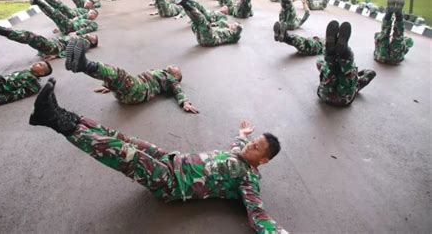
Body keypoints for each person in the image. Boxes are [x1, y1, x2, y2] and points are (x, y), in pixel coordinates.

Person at [29, 78, 287, 234]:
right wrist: (243, 133)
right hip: (172, 160)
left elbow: (259, 216)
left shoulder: (248, 181)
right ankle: (66, 115)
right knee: (126, 139)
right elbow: (238, 143)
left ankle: (55, 122)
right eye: (253, 142)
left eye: (255, 147)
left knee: (125, 154)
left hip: (173, 184)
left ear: (262, 161)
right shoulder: (241, 153)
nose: (249, 146)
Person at [64, 38, 199, 113]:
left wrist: (184, 102)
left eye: (177, 68)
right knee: (112, 78)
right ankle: (78, 66)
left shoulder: (170, 79)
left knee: (118, 73)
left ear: (176, 75)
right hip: (130, 93)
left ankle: (84, 65)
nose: (174, 65)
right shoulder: (162, 73)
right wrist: (110, 87)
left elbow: (178, 90)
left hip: (140, 91)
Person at [0, 14, 98, 60]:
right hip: (53, 43)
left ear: (92, 42)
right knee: (29, 37)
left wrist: (57, 55)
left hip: (55, 47)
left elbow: (77, 52)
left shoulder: (85, 43)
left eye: (94, 38)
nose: (92, 35)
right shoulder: (79, 36)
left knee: (30, 36)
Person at [316, 21, 376, 106]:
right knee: (333, 70)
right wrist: (357, 75)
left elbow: (371, 73)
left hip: (331, 94)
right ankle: (332, 55)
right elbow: (318, 63)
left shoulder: (358, 84)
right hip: (328, 95)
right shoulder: (357, 84)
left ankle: (343, 55)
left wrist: (356, 74)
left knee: (343, 74)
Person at [175, 0, 243, 47]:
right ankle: (184, 3)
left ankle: (184, 3)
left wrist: (239, 26)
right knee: (196, 21)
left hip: (211, 39)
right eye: (234, 24)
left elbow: (238, 33)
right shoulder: (223, 26)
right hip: (203, 38)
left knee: (201, 19)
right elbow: (217, 24)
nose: (233, 25)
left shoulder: (232, 35)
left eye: (235, 26)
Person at [30, 0, 99, 36]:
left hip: (71, 27)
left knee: (56, 13)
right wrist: (59, 29)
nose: (90, 14)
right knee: (51, 15)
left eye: (93, 13)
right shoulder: (83, 16)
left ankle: (38, 0)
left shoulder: (93, 23)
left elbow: (87, 29)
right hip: (67, 26)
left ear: (95, 17)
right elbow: (74, 20)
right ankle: (37, 2)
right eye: (90, 12)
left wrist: (77, 33)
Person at [374, 0, 414, 65]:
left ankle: (390, 13)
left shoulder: (378, 37)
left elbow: (378, 37)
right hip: (394, 58)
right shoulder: (404, 45)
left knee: (385, 35)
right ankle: (397, 14)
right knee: (397, 38)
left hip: (381, 56)